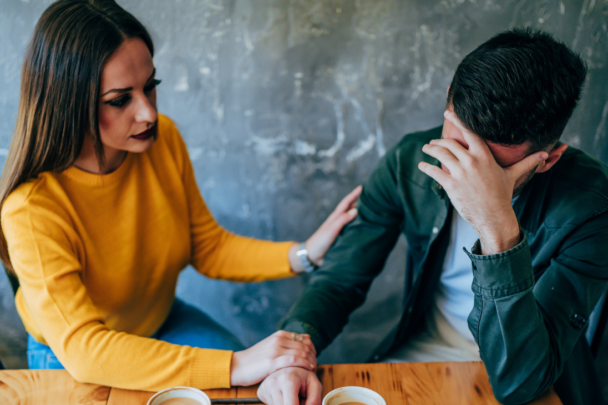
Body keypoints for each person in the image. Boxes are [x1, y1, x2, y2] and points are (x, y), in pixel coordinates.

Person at [0, 0, 361, 392]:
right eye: (120, 100)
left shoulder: (161, 140)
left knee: (255, 390)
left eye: (150, 87)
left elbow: (206, 246)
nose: (148, 114)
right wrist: (237, 364)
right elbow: (87, 351)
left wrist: (306, 253)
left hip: (163, 324)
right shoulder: (31, 208)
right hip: (71, 356)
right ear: (67, 104)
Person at [259, 28, 608, 405]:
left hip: (532, 383)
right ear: (448, 99)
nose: (466, 173)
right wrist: (293, 354)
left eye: (490, 167)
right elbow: (341, 280)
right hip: (420, 361)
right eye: (457, 146)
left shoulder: (592, 207)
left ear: (548, 159)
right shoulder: (409, 161)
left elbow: (519, 383)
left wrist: (498, 229)